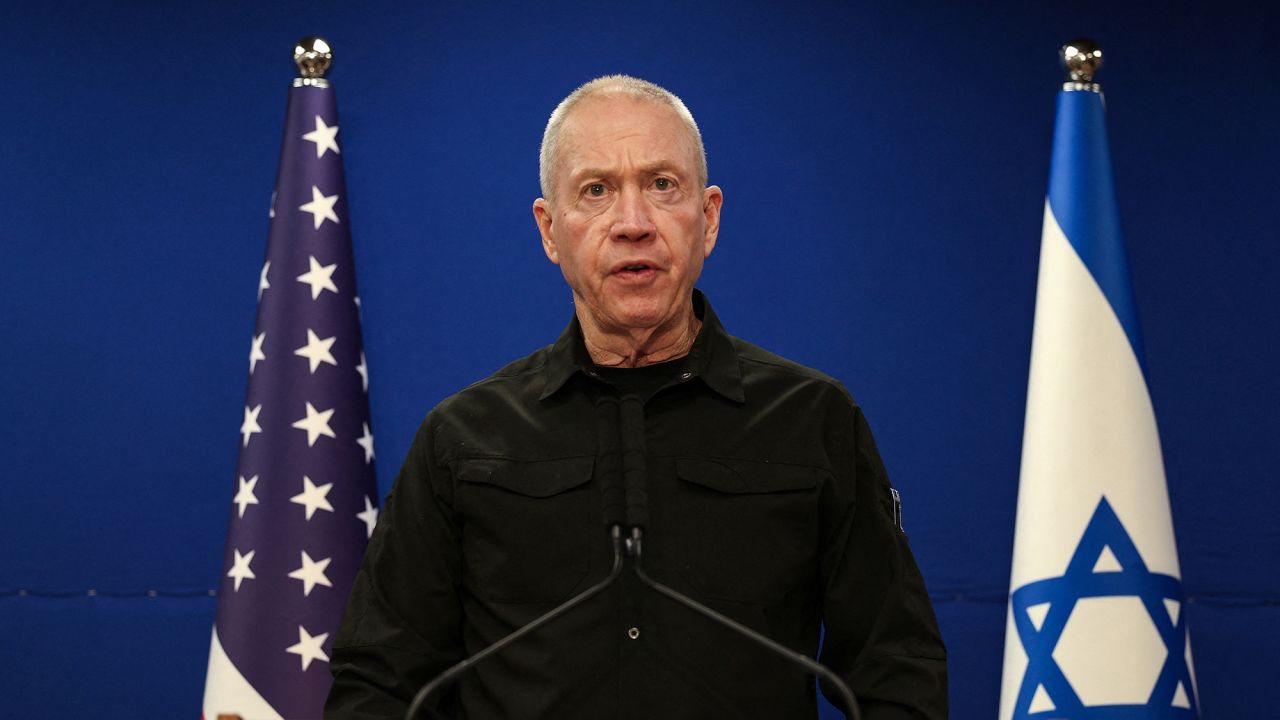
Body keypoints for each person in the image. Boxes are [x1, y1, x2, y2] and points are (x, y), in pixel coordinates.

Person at [326, 75, 946, 719]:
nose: (632, 223)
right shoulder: (462, 439)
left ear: (706, 219)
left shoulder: (815, 421)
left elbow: (897, 673)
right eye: (596, 191)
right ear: (549, 230)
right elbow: (378, 683)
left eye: (661, 185)